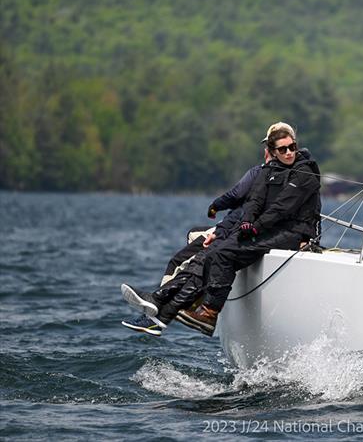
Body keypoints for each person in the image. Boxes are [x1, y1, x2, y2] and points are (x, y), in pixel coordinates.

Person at [119, 123, 297, 336]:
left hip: (249, 235)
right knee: (196, 256)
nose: (284, 152)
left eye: (289, 148)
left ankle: (160, 305)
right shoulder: (266, 174)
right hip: (236, 230)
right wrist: (221, 229)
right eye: (279, 148)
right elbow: (244, 211)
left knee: (204, 258)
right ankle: (158, 307)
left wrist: (216, 212)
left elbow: (241, 202)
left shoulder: (282, 176)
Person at [175, 124, 321, 336]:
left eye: (292, 147)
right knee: (216, 251)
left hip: (293, 232)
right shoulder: (269, 170)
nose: (289, 152)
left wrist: (255, 228)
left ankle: (209, 313)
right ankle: (200, 303)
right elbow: (255, 200)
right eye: (283, 149)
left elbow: (281, 208)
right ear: (273, 152)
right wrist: (247, 222)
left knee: (225, 254)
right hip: (271, 228)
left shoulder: (305, 172)